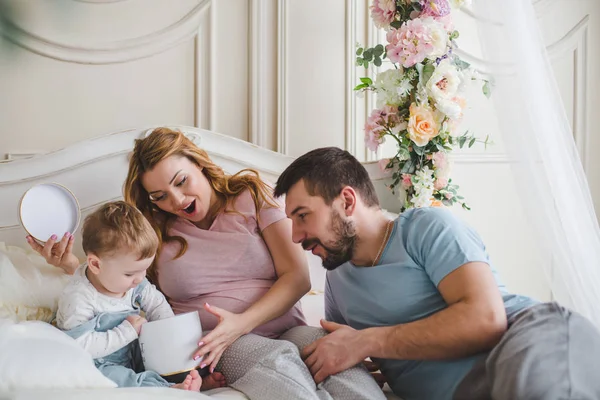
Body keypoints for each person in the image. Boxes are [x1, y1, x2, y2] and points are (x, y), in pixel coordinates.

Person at [30, 128, 385, 400]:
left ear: (198, 163)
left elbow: (297, 278)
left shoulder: (251, 195)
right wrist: (72, 264)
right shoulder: (155, 230)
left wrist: (241, 322)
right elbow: (122, 279)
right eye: (159, 196)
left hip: (284, 326)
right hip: (215, 344)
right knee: (277, 360)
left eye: (181, 182)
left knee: (332, 351)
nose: (176, 200)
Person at [273, 146, 600, 400]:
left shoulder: (426, 227)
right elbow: (347, 353)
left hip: (525, 341)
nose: (296, 236)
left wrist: (366, 341)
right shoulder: (337, 283)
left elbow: (486, 320)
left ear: (346, 201)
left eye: (303, 216)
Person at [55, 201, 225, 390]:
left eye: (144, 270)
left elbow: (156, 304)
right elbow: (80, 345)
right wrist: (125, 332)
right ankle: (167, 390)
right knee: (115, 379)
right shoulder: (79, 297)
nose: (140, 279)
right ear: (95, 265)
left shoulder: (134, 283)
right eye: (130, 274)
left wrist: (168, 332)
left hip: (134, 350)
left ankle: (191, 378)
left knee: (174, 355)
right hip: (100, 362)